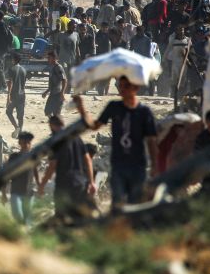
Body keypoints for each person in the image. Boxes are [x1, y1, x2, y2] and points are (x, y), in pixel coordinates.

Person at [74, 77, 158, 209]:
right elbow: (95, 126)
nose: (122, 89)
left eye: (126, 86)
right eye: (121, 86)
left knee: (135, 203)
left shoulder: (144, 112)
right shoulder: (114, 107)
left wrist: (154, 165)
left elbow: (151, 140)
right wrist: (82, 109)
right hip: (118, 164)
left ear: (135, 88)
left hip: (138, 166)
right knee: (117, 203)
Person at [38, 115, 96, 218]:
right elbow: (88, 160)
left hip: (64, 185)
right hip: (80, 184)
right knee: (79, 216)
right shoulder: (76, 137)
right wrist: (91, 182)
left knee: (62, 217)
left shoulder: (55, 141)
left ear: (51, 125)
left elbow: (52, 165)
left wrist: (42, 184)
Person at [6, 132, 37, 225]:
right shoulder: (14, 157)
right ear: (19, 143)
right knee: (18, 217)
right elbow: (7, 173)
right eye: (24, 143)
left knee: (28, 220)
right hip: (16, 192)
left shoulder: (33, 156)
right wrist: (4, 192)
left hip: (29, 193)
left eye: (29, 143)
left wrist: (40, 185)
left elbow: (35, 171)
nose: (26, 145)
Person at [5, 52, 27, 138]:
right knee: (20, 116)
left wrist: (8, 97)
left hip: (14, 95)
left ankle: (16, 127)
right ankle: (20, 132)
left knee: (8, 112)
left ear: (14, 60)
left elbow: (10, 83)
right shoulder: (24, 70)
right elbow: (24, 83)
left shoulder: (11, 69)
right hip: (22, 95)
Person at [42, 51, 67, 117]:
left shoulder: (58, 67)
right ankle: (55, 123)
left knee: (56, 114)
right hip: (52, 94)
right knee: (47, 111)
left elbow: (64, 80)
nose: (48, 59)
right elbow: (52, 83)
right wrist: (46, 92)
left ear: (54, 58)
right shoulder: (52, 67)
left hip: (58, 94)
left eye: (49, 58)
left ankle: (58, 125)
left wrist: (62, 93)